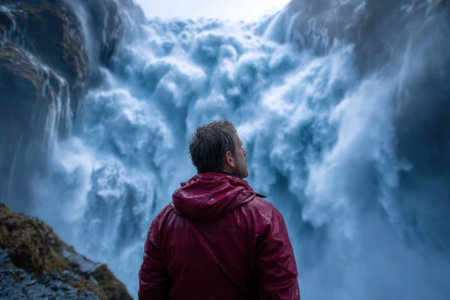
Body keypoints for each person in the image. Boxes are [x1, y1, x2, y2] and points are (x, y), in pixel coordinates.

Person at [139, 119, 300, 299]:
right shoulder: (265, 218)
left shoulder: (164, 220)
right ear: (229, 158)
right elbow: (281, 293)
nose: (245, 152)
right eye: (240, 147)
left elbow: (150, 292)